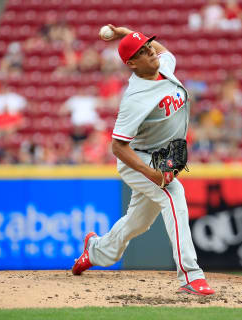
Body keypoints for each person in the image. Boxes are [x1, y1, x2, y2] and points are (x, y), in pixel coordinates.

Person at [71, 24, 215, 296]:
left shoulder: (163, 68)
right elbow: (117, 146)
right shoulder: (135, 98)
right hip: (137, 160)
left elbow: (164, 52)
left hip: (161, 157)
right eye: (142, 51)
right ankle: (191, 275)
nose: (151, 52)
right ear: (132, 63)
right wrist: (151, 174)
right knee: (174, 195)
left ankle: (96, 250)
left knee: (138, 222)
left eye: (149, 46)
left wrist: (127, 32)